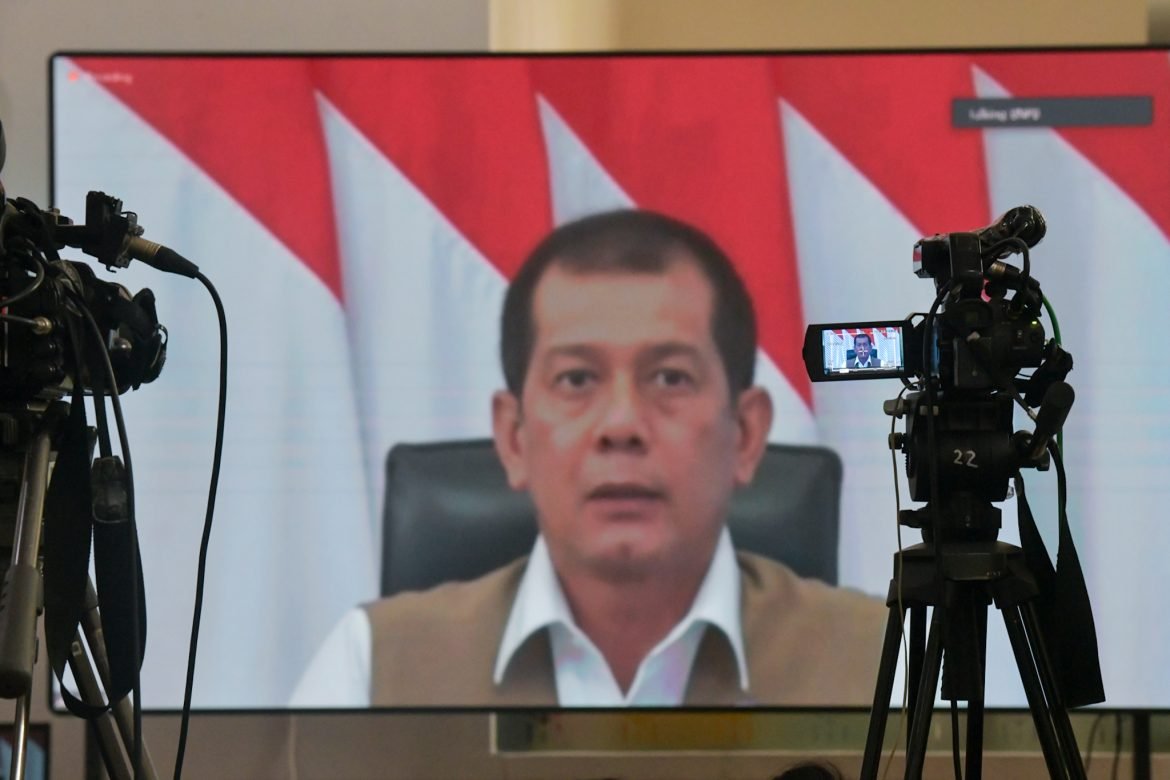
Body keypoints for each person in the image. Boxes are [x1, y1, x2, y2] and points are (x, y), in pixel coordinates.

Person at [291, 209, 887, 708]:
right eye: (577, 379)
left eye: (670, 378)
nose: (621, 425)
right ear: (513, 438)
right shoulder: (372, 672)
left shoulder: (887, 666)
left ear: (747, 434)